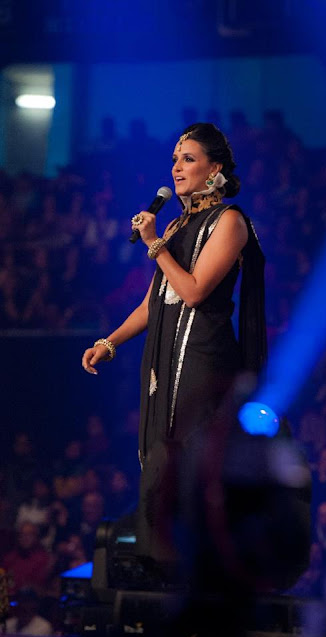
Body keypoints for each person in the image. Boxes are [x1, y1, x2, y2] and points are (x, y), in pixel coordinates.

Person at [82, 123, 267, 569]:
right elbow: (155, 300)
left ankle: (201, 569)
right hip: (164, 357)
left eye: (187, 158)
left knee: (192, 456)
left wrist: (153, 244)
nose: (176, 167)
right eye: (174, 159)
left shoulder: (230, 221)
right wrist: (110, 342)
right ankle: (161, 567)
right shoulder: (179, 224)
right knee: (161, 455)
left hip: (203, 358)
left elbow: (195, 291)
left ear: (214, 168)